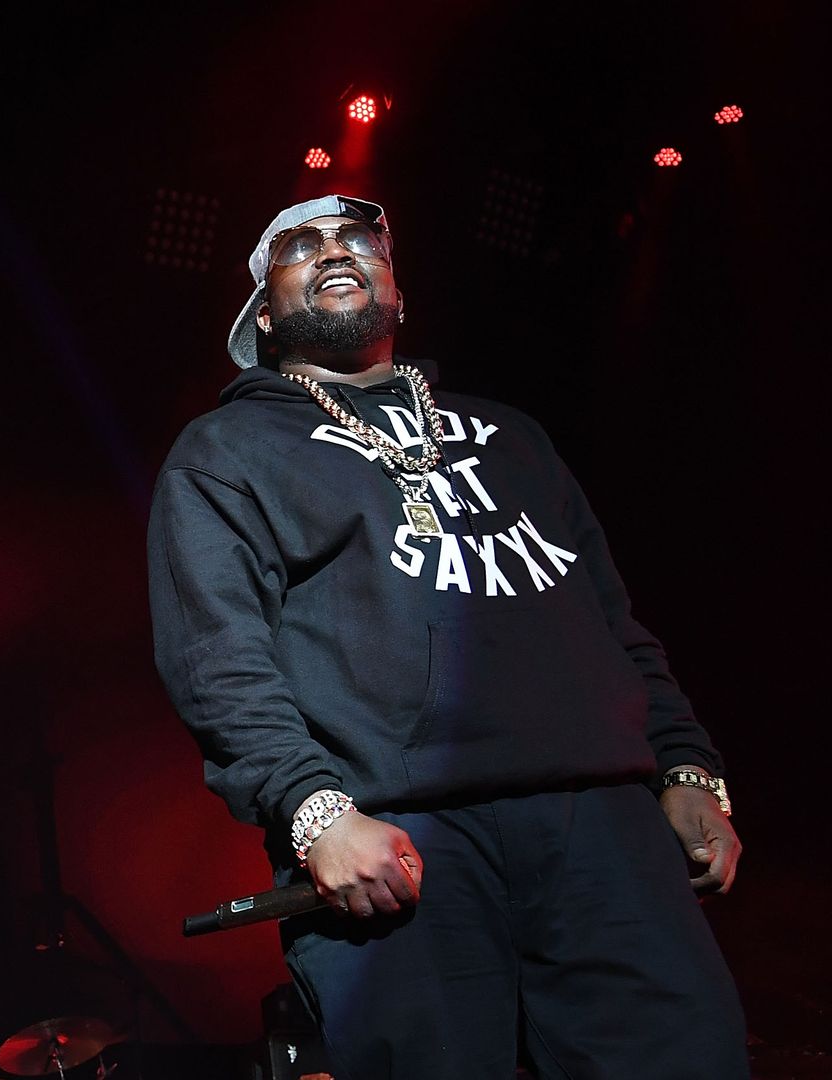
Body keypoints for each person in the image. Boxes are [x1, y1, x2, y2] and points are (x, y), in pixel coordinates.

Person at [146, 194, 746, 1078]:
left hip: (603, 822)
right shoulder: (228, 450)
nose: (334, 251)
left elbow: (612, 622)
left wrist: (686, 764)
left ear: (398, 291)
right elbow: (217, 658)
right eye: (299, 247)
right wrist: (316, 814)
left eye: (359, 242)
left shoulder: (514, 437)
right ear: (265, 314)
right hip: (394, 835)